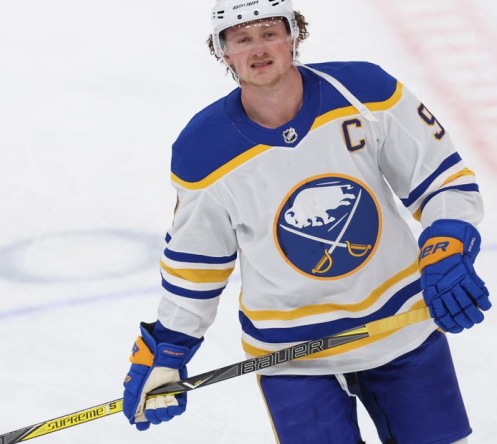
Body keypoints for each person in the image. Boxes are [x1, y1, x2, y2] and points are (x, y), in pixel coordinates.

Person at [121, 0, 491, 442]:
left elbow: (442, 181)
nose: (258, 48)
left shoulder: (367, 91)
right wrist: (168, 347)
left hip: (400, 329)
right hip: (292, 355)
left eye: (269, 33)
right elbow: (196, 264)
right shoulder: (204, 150)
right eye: (242, 39)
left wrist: (446, 247)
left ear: (294, 35)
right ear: (222, 51)